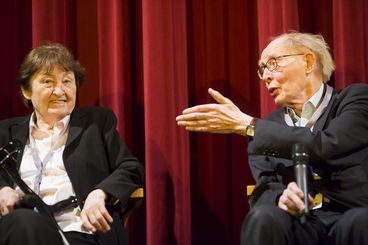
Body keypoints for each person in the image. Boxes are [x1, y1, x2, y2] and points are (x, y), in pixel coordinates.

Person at [176, 32, 368, 245]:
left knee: (362, 221)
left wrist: (249, 125)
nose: (266, 75)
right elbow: (265, 186)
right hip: (300, 224)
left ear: (308, 62)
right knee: (263, 218)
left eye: (273, 63)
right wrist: (281, 198)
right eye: (262, 69)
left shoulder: (355, 99)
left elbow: (327, 144)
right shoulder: (265, 128)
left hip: (350, 215)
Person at [0, 43, 144, 245]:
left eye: (67, 81)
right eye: (48, 82)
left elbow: (131, 168)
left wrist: (100, 192)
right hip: (19, 228)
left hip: (79, 230)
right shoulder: (5, 132)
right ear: (26, 91)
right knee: (23, 223)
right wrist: (2, 189)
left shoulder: (96, 124)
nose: (60, 91)